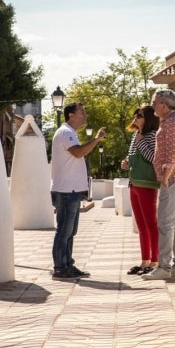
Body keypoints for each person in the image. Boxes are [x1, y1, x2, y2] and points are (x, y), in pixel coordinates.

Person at [50, 102, 106, 279]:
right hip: (67, 190)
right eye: (82, 112)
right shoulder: (66, 132)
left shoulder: (69, 132)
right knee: (64, 230)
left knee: (70, 231)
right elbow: (78, 153)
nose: (85, 115)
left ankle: (67, 265)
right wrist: (96, 140)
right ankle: (60, 267)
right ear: (70, 115)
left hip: (70, 190)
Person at [142, 89, 175, 280]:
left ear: (163, 104)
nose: (152, 105)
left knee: (165, 223)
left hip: (173, 180)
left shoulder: (171, 124)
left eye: (154, 102)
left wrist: (165, 177)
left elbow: (173, 154)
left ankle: (164, 267)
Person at [120, 106, 160, 276]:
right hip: (134, 183)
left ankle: (155, 261)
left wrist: (142, 141)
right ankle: (144, 261)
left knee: (151, 224)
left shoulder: (152, 136)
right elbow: (133, 157)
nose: (135, 117)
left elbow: (153, 158)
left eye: (140, 115)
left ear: (148, 118)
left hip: (147, 184)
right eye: (135, 114)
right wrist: (126, 162)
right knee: (141, 225)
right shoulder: (135, 136)